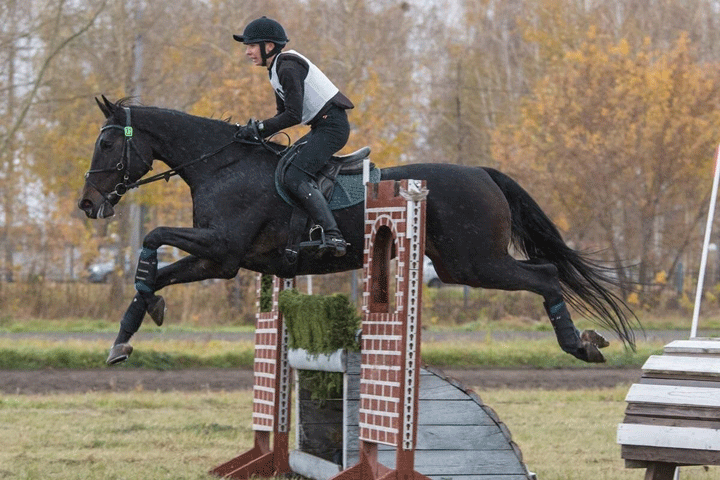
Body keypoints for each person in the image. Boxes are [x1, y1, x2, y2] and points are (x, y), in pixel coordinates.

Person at [233, 16, 354, 257]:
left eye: (251, 46)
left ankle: (333, 235)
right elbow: (282, 114)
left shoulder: (286, 67)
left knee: (294, 175)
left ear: (269, 47)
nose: (247, 52)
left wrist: (258, 129)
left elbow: (292, 115)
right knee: (283, 165)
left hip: (332, 127)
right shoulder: (275, 69)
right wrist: (259, 132)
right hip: (322, 126)